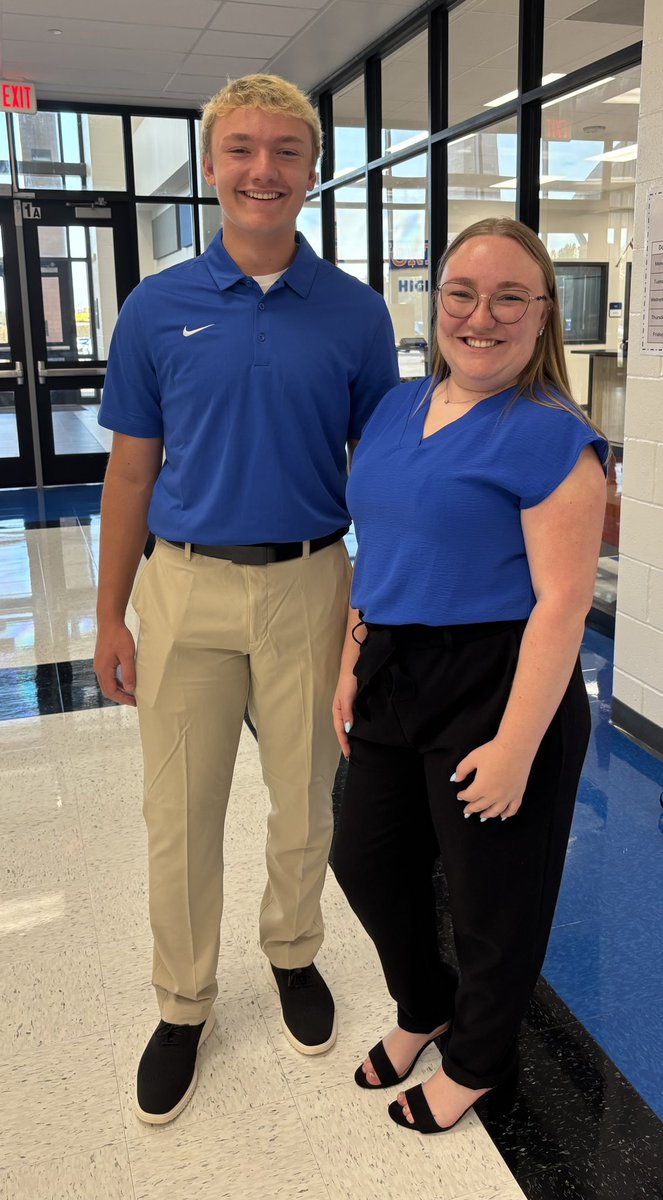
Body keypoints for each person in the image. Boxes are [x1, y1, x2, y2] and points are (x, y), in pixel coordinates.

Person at [93, 73, 398, 1126]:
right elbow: (129, 473)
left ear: (312, 171)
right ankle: (183, 1004)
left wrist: (372, 608)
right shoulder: (157, 307)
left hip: (312, 581)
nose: (262, 170)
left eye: (285, 152)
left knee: (306, 796)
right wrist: (108, 616)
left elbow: (381, 472)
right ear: (212, 165)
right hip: (184, 587)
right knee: (178, 811)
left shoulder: (356, 315)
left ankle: (294, 951)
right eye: (241, 150)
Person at [331, 217, 608, 1134]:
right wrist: (350, 662)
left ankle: (480, 1062)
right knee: (365, 860)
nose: (479, 317)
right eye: (462, 293)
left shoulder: (554, 438)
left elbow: (561, 605)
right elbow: (377, 549)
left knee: (493, 896)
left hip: (498, 677)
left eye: (508, 298)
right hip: (391, 664)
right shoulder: (394, 408)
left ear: (542, 315)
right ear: (435, 299)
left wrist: (517, 746)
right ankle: (425, 1005)